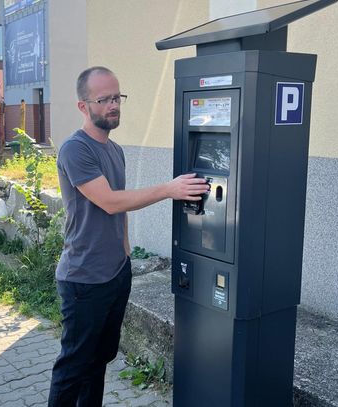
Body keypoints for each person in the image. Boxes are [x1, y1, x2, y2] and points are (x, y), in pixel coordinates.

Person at [48, 66, 210, 406]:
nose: (113, 105)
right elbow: (108, 201)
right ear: (83, 106)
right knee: (73, 367)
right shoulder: (75, 149)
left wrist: (124, 255)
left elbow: (117, 209)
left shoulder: (115, 150)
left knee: (99, 361)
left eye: (116, 97)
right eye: (104, 99)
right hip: (84, 278)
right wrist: (169, 189)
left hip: (115, 273)